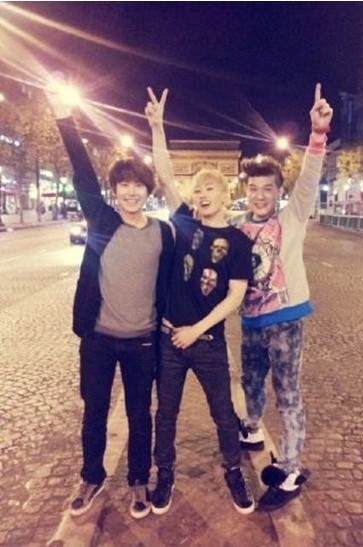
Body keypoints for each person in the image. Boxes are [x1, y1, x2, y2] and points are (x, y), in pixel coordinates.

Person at [46, 85, 174, 520]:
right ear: (115, 190)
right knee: (94, 413)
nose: (131, 192)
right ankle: (92, 476)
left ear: (148, 190)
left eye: (138, 185)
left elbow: (175, 281)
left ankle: (139, 479)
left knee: (141, 416)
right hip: (98, 340)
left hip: (142, 342)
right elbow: (83, 173)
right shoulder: (101, 220)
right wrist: (64, 117)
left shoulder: (162, 233)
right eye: (124, 185)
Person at [145, 88, 255, 515]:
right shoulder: (184, 222)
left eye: (210, 188)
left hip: (207, 342)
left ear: (225, 193)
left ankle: (233, 471)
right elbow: (164, 174)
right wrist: (157, 127)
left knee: (224, 414)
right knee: (165, 414)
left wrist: (198, 330)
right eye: (197, 189)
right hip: (170, 338)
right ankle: (165, 474)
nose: (202, 194)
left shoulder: (238, 241)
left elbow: (236, 295)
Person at [233, 83, 333, 510]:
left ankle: (290, 469)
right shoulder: (237, 228)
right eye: (254, 188)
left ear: (278, 191)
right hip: (250, 321)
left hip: (286, 319)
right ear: (246, 191)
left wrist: (317, 134)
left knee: (288, 393)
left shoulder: (292, 218)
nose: (260, 195)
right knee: (251, 382)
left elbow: (308, 180)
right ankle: (252, 428)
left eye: (268, 189)